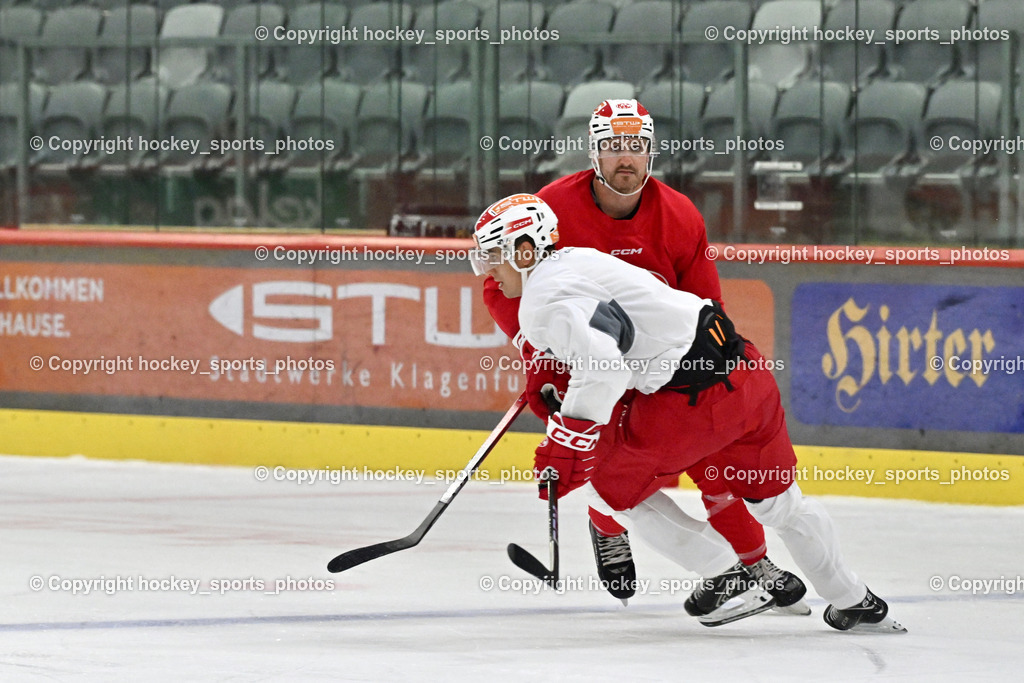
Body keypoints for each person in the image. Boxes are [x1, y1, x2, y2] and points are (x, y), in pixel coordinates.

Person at [470, 193, 907, 633]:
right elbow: (616, 336)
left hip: (693, 402)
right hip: (747, 374)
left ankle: (728, 575)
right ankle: (854, 600)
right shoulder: (579, 259)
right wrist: (556, 359)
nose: (487, 269)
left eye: (492, 255)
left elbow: (604, 366)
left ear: (525, 250)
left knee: (608, 491)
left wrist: (567, 441)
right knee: (779, 505)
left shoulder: (540, 299)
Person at [481, 99, 806, 613]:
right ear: (594, 152)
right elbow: (502, 285)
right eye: (612, 147)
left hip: (660, 354)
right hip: (586, 351)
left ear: (651, 152)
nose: (624, 158)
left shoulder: (678, 213)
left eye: (635, 146)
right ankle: (608, 525)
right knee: (604, 460)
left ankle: (749, 561)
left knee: (708, 452)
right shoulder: (551, 207)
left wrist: (709, 367)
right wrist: (538, 354)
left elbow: (705, 300)